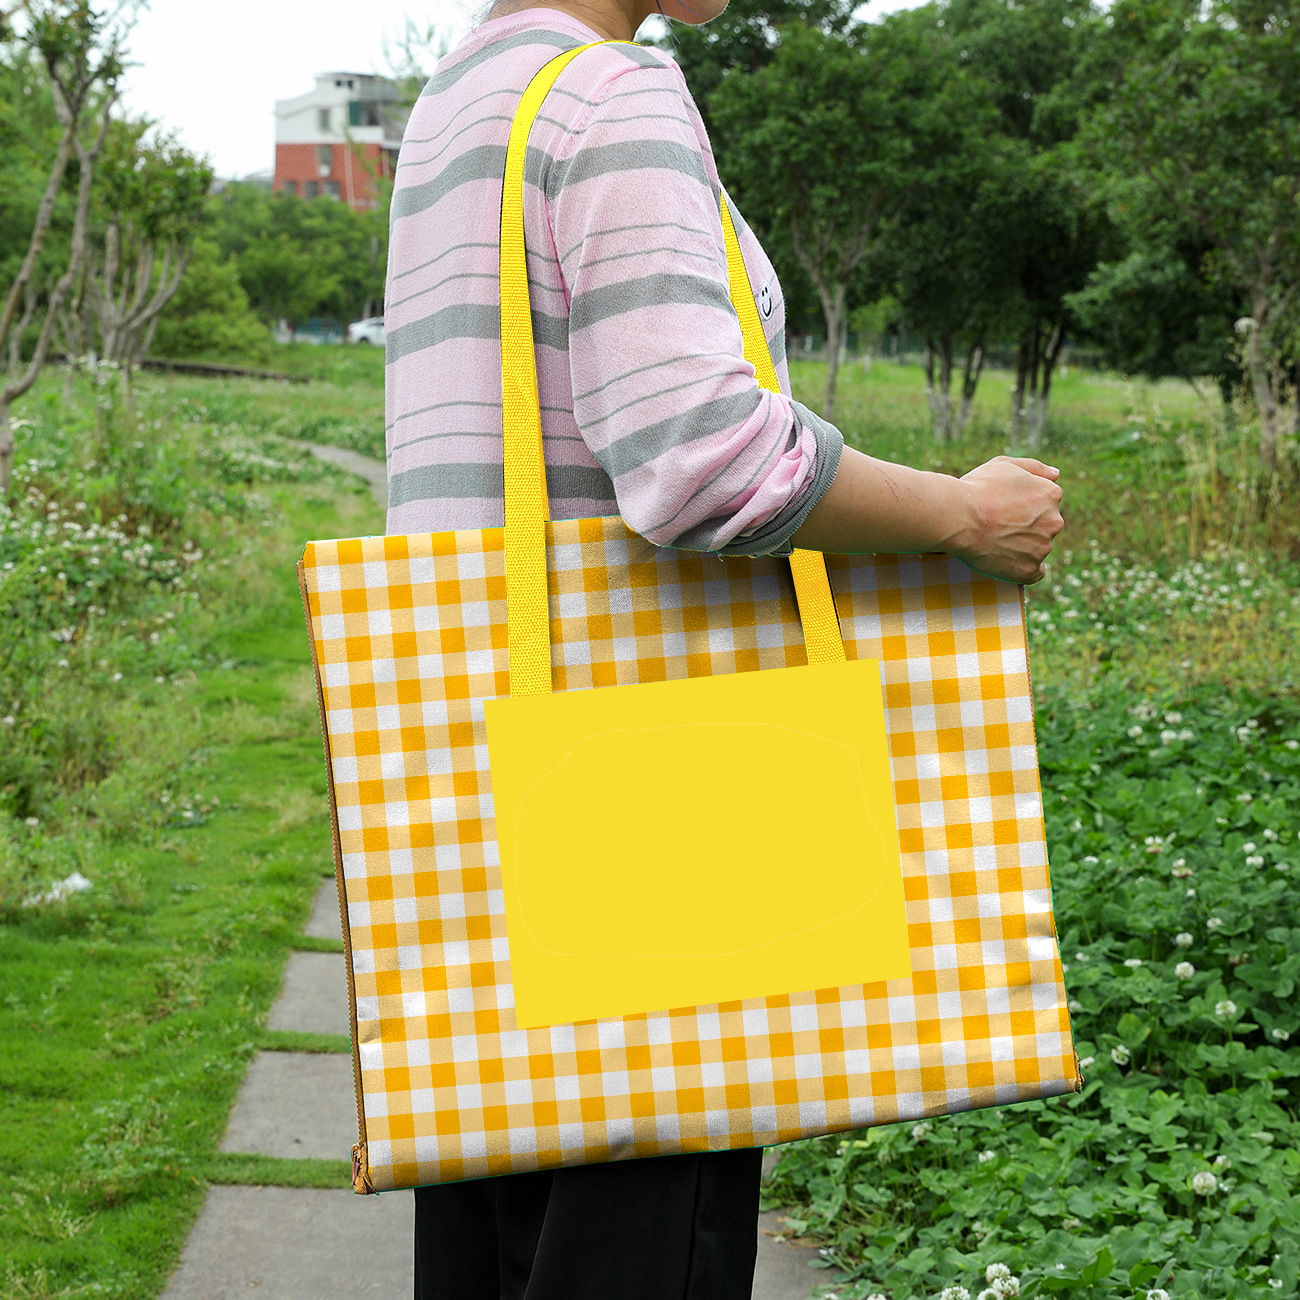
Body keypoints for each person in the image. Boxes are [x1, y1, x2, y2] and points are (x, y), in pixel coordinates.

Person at [386, 0, 1065, 1293]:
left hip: (494, 792)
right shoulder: (612, 94)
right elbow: (702, 460)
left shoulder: (460, 98)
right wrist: (961, 515)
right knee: (639, 1241)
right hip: (652, 802)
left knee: (502, 1241)